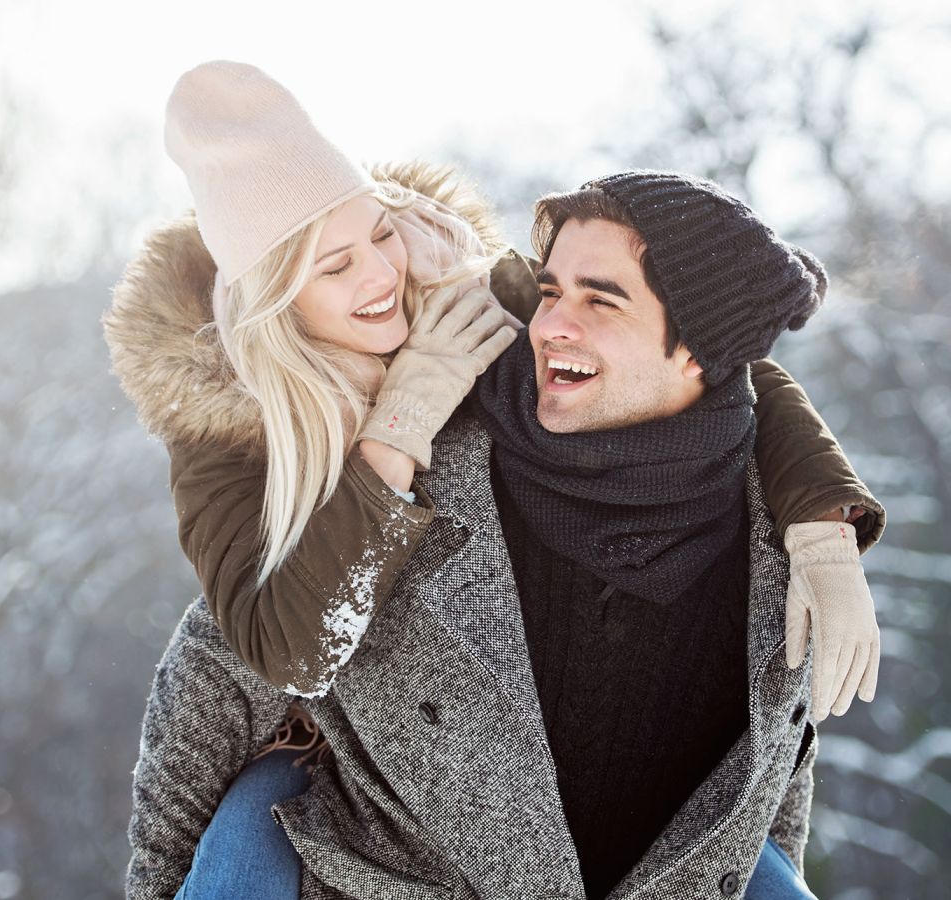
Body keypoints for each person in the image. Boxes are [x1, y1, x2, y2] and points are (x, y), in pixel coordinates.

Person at [106, 61, 884, 900]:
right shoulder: (228, 429)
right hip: (343, 787)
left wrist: (823, 524)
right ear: (270, 298)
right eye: (333, 268)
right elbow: (247, 662)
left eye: (380, 233)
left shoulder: (457, 290)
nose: (379, 276)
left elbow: (711, 359)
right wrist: (404, 415)